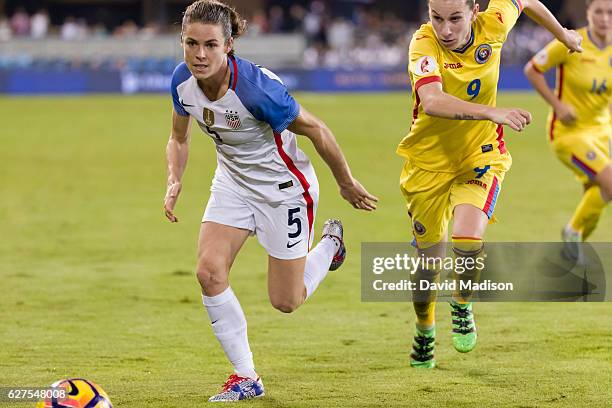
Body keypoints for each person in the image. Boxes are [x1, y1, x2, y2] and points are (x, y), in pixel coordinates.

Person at [163, 0, 378, 402]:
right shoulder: (181, 81)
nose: (199, 54)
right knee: (209, 272)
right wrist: (174, 178)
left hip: (284, 191)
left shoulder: (257, 90)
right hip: (232, 183)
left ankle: (330, 245)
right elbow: (178, 138)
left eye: (210, 45)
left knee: (286, 301)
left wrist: (346, 183)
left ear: (228, 45)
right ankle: (246, 377)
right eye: (191, 43)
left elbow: (317, 128)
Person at [396, 0, 582, 368]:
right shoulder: (423, 43)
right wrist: (491, 111)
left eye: (454, 19)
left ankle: (462, 304)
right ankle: (424, 327)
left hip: (481, 154)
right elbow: (431, 101)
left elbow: (524, 0)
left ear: (475, 11)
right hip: (427, 164)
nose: (445, 29)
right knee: (428, 265)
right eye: (436, 18)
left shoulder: (494, 23)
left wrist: (563, 35)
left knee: (468, 238)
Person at [524, 0, 611, 260]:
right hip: (568, 133)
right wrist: (558, 105)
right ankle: (571, 232)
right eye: (599, 12)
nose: (605, 18)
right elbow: (533, 69)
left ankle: (571, 252)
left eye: (610, 12)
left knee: (600, 196)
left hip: (602, 132)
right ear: (588, 13)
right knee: (610, 184)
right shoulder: (573, 42)